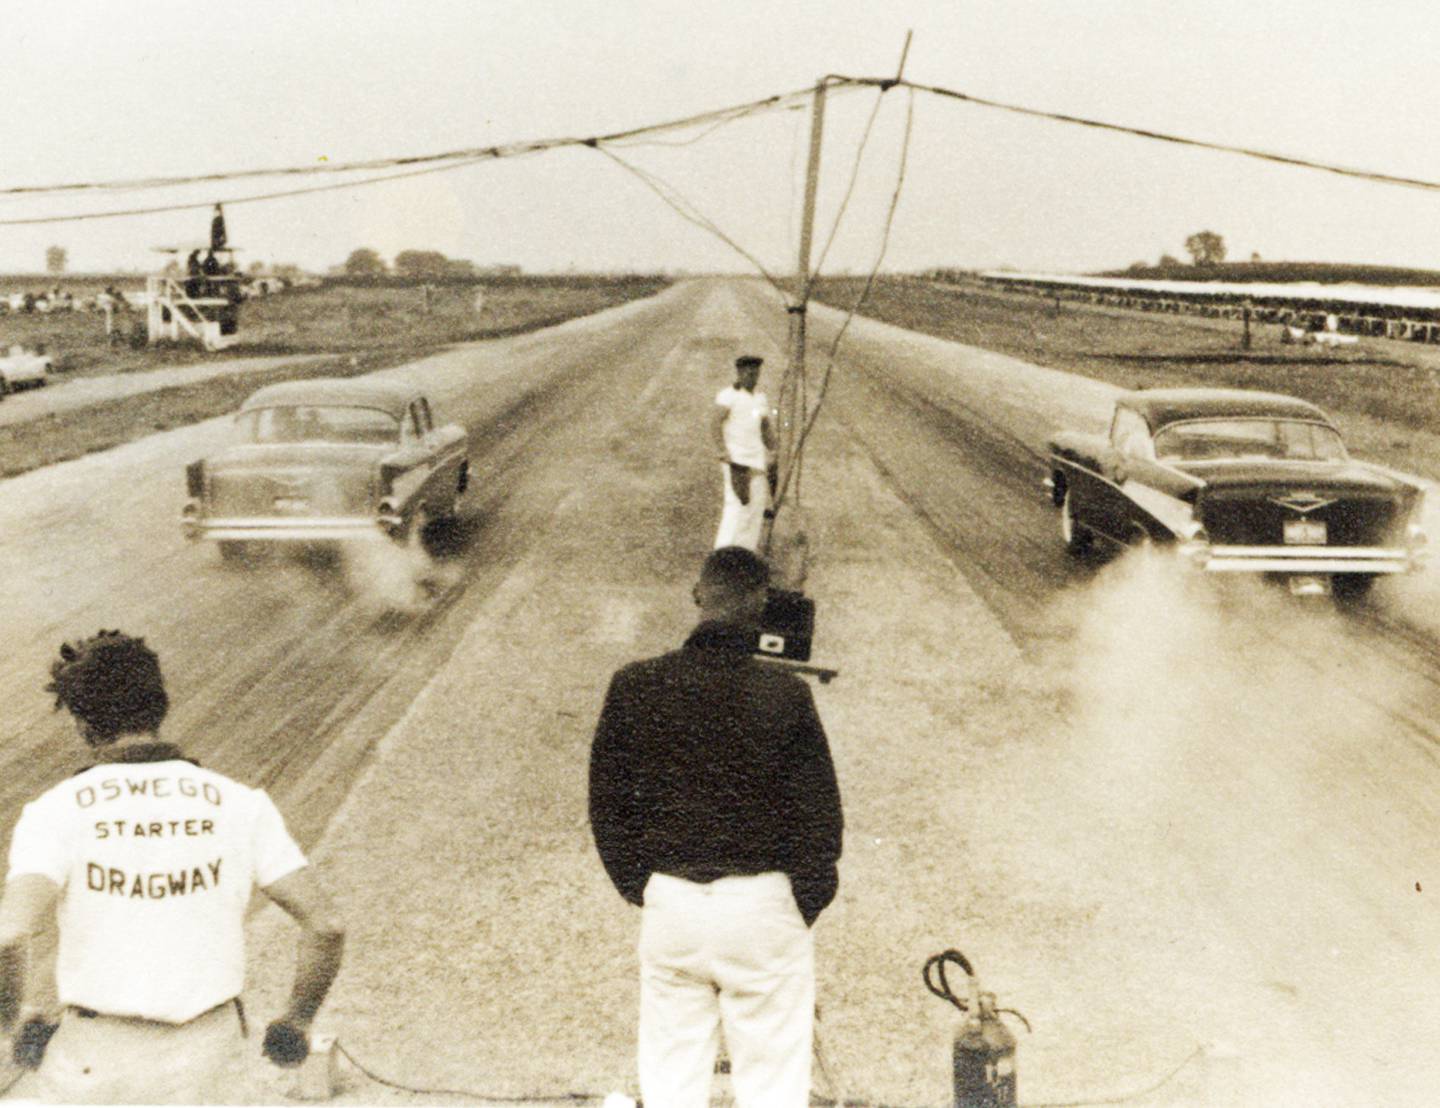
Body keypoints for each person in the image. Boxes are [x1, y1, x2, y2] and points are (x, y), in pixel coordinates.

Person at [0, 630, 345, 1104]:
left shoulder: (54, 811)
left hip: (94, 1060)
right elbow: (326, 925)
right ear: (159, 704)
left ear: (82, 721)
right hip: (210, 1056)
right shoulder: (242, 804)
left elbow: (9, 935)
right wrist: (297, 1020)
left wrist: (11, 1020)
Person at [589, 547, 843, 1108]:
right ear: (761, 609)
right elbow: (821, 821)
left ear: (697, 596)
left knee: (671, 1082)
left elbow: (607, 806)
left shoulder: (634, 685)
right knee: (773, 1085)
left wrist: (644, 887)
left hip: (671, 904)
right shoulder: (786, 694)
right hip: (763, 908)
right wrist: (798, 903)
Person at [710, 355, 776, 552]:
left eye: (756, 373)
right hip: (736, 460)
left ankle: (745, 553)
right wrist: (722, 450)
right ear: (739, 373)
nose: (752, 377)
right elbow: (715, 423)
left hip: (756, 460)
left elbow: (764, 428)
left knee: (756, 508)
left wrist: (774, 450)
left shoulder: (760, 398)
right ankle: (722, 554)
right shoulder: (727, 396)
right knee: (737, 506)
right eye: (748, 373)